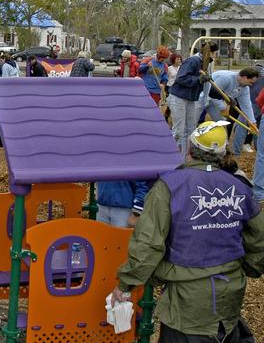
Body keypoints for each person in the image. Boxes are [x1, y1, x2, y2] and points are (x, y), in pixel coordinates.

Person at [110, 120, 264, 342]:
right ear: (222, 154)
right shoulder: (240, 187)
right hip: (229, 293)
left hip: (185, 302)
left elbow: (148, 244)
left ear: (189, 150)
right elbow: (258, 239)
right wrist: (247, 267)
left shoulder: (169, 186)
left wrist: (126, 285)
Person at [167, 42, 218, 156]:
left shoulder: (205, 64)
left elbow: (208, 86)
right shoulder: (193, 61)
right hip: (178, 97)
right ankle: (171, 157)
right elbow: (181, 78)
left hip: (190, 99)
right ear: (209, 52)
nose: (215, 56)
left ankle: (185, 157)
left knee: (191, 130)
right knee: (179, 131)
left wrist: (226, 97)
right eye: (214, 53)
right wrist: (198, 79)